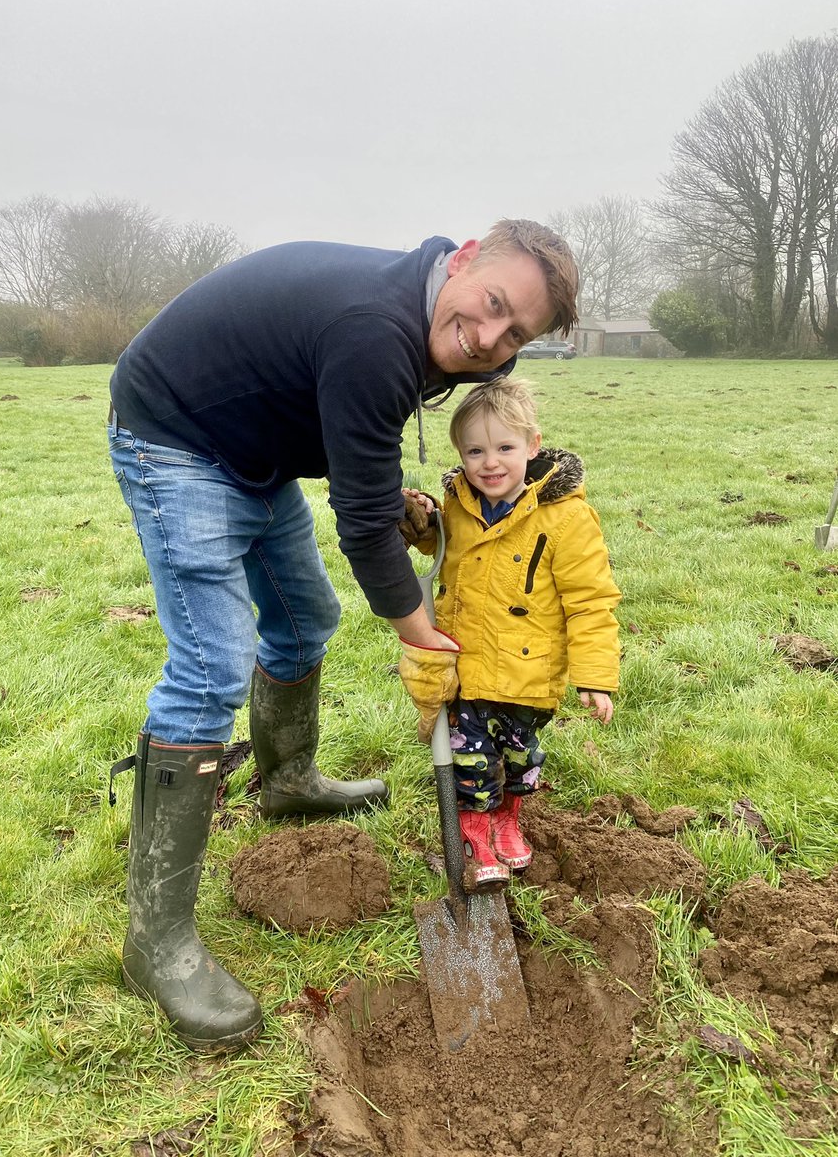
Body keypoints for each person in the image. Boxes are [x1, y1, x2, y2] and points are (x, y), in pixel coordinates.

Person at [106, 219, 579, 1052]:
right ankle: (156, 941)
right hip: (175, 438)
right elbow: (360, 525)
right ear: (464, 260)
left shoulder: (434, 325)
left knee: (303, 617)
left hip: (252, 453)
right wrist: (421, 631)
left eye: (517, 335)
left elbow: (348, 431)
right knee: (211, 669)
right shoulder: (376, 329)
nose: (491, 339)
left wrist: (391, 490)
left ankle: (287, 777)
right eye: (494, 305)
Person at [400, 378, 620, 888]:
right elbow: (436, 539)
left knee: (521, 758)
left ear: (533, 446)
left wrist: (595, 676)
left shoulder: (566, 517)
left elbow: (590, 601)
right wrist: (418, 520)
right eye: (475, 451)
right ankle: (475, 828)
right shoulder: (458, 504)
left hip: (528, 671)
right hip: (468, 666)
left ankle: (507, 820)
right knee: (472, 760)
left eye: (504, 448)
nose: (489, 463)